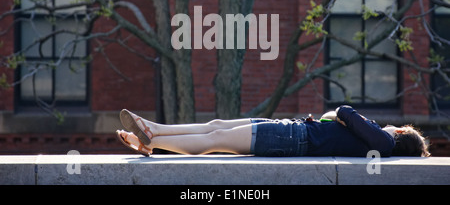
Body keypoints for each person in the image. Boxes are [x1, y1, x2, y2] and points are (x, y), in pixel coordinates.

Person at [116, 105, 430, 157]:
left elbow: (345, 111)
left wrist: (340, 117)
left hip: (293, 139)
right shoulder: (378, 141)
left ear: (402, 132)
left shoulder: (385, 141)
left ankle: (152, 140)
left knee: (215, 140)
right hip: (293, 132)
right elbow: (335, 119)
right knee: (217, 127)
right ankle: (152, 133)